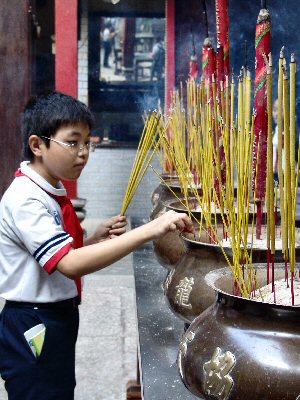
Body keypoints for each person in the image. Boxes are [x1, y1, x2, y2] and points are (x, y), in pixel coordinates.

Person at [0, 91, 194, 399]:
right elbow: (69, 264)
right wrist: (148, 231)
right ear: (38, 145)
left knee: (58, 390)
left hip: (56, 314)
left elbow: (56, 256)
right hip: (33, 320)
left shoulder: (51, 188)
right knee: (39, 391)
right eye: (73, 142)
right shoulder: (26, 198)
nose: (83, 153)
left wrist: (94, 240)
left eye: (88, 143)